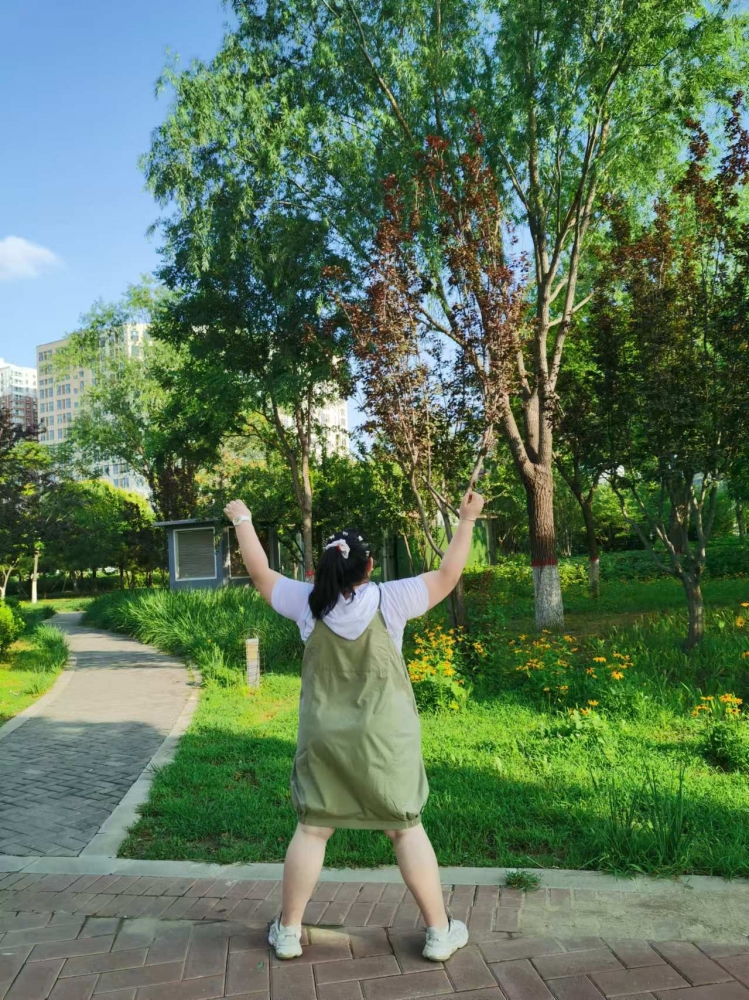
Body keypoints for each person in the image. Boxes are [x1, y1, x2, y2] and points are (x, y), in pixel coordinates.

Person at [224, 488, 485, 962]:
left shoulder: (308, 603)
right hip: (386, 739)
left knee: (313, 829)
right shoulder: (393, 598)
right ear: (369, 567)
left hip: (324, 736)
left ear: (324, 569)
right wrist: (466, 519)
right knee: (405, 829)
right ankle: (440, 932)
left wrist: (243, 519)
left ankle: (288, 932)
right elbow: (449, 574)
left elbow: (261, 574)